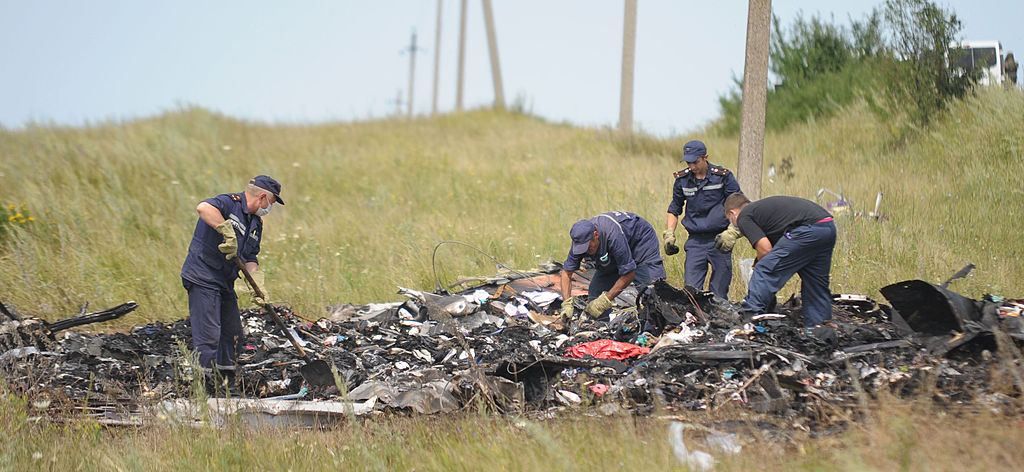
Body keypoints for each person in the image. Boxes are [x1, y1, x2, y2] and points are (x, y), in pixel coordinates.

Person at [180, 175, 284, 388]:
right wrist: (225, 229)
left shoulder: (256, 223)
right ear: (262, 197)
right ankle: (204, 387)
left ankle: (226, 383)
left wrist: (257, 283)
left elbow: (250, 257)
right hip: (203, 276)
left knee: (233, 334)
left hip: (224, 281)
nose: (269, 208)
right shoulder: (229, 203)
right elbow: (203, 208)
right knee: (209, 335)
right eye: (271, 203)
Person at [723, 193, 836, 330]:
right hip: (827, 226)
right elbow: (774, 248)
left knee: (764, 270)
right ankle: (819, 327)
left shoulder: (744, 216)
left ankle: (751, 317)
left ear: (732, 213)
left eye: (729, 219)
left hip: (807, 230)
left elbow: (765, 250)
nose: (732, 223)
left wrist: (758, 266)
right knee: (815, 282)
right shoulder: (763, 213)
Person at [663, 140, 741, 299]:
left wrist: (732, 232)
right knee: (691, 292)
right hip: (695, 241)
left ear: (705, 157)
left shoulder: (723, 177)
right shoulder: (682, 180)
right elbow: (674, 208)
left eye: (696, 162)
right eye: (688, 163)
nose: (692, 166)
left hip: (720, 239)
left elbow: (738, 205)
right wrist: (669, 233)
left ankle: (717, 313)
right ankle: (696, 315)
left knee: (718, 293)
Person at [560, 211, 666, 318]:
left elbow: (629, 274)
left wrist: (605, 300)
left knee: (651, 292)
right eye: (582, 248)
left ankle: (662, 321)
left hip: (639, 241)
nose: (585, 250)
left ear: (596, 235)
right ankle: (602, 325)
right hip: (614, 251)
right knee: (596, 292)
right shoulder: (580, 240)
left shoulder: (612, 235)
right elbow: (566, 273)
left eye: (588, 246)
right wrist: (566, 304)